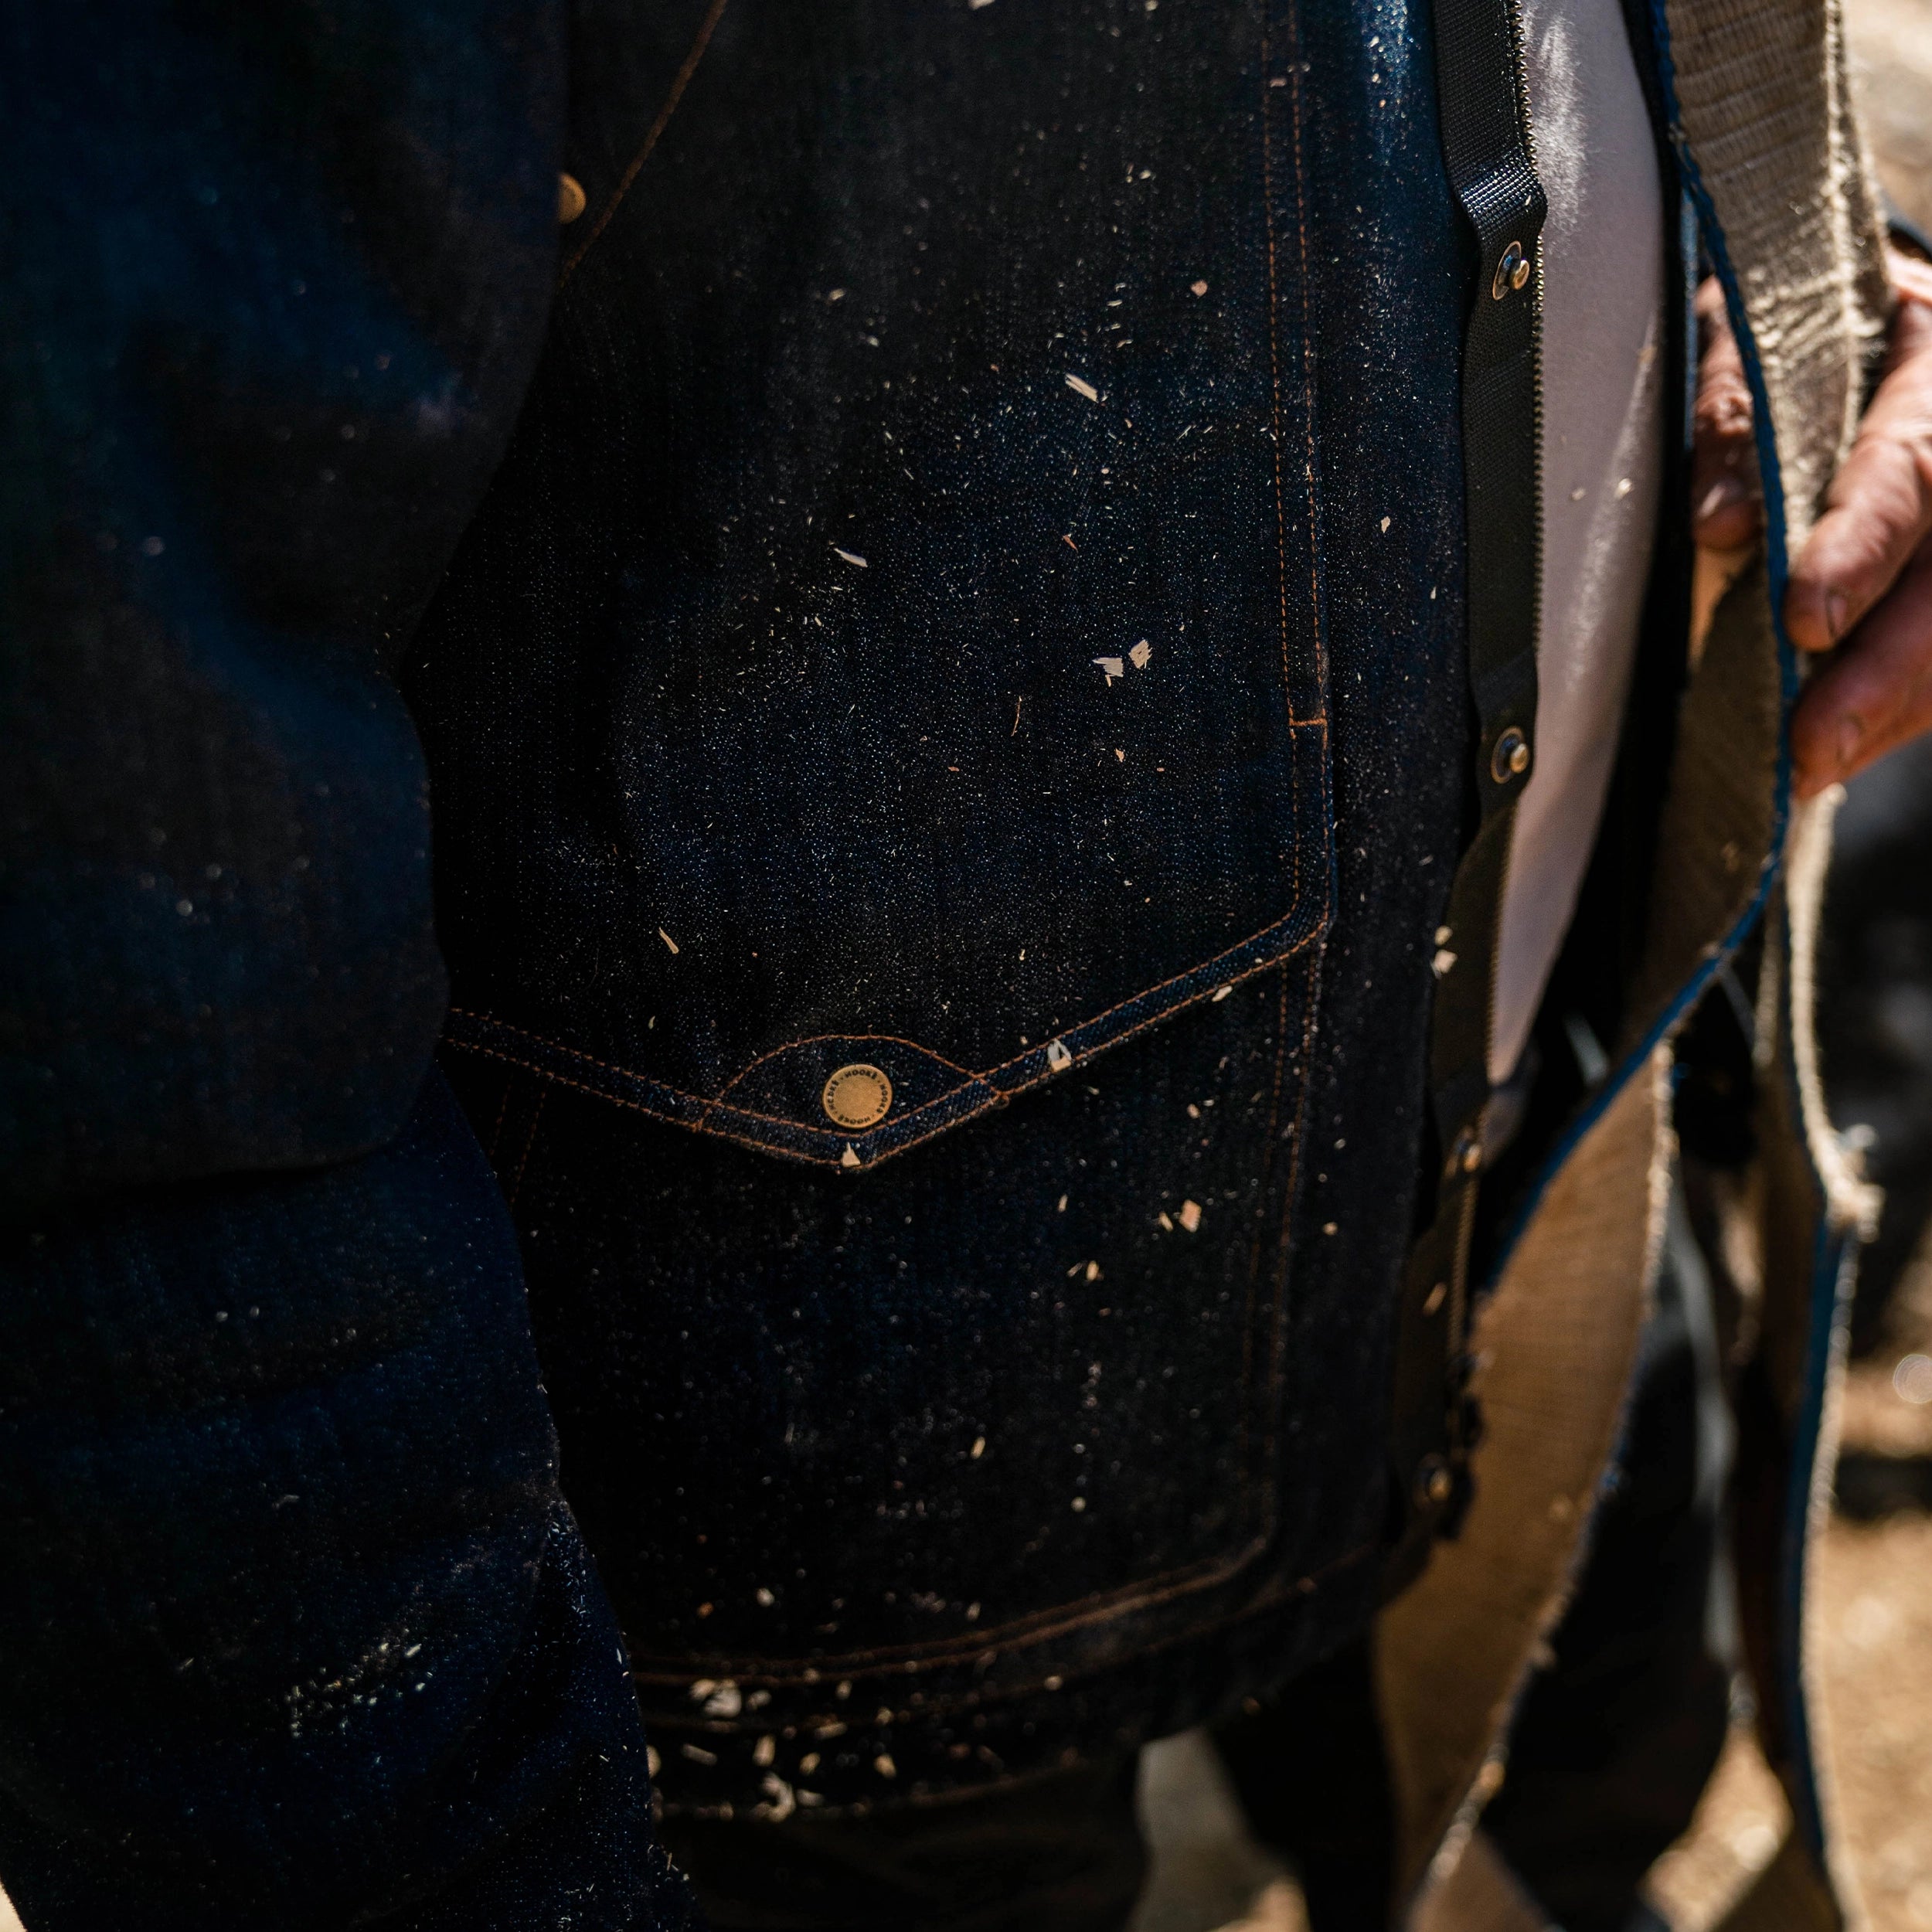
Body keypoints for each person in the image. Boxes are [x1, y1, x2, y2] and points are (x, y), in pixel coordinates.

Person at [2, 0, 1927, 1927]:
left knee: (1572, 1818)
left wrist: (1855, 251)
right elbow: (119, 943)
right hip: (825, 1598)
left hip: (1549, 1160)